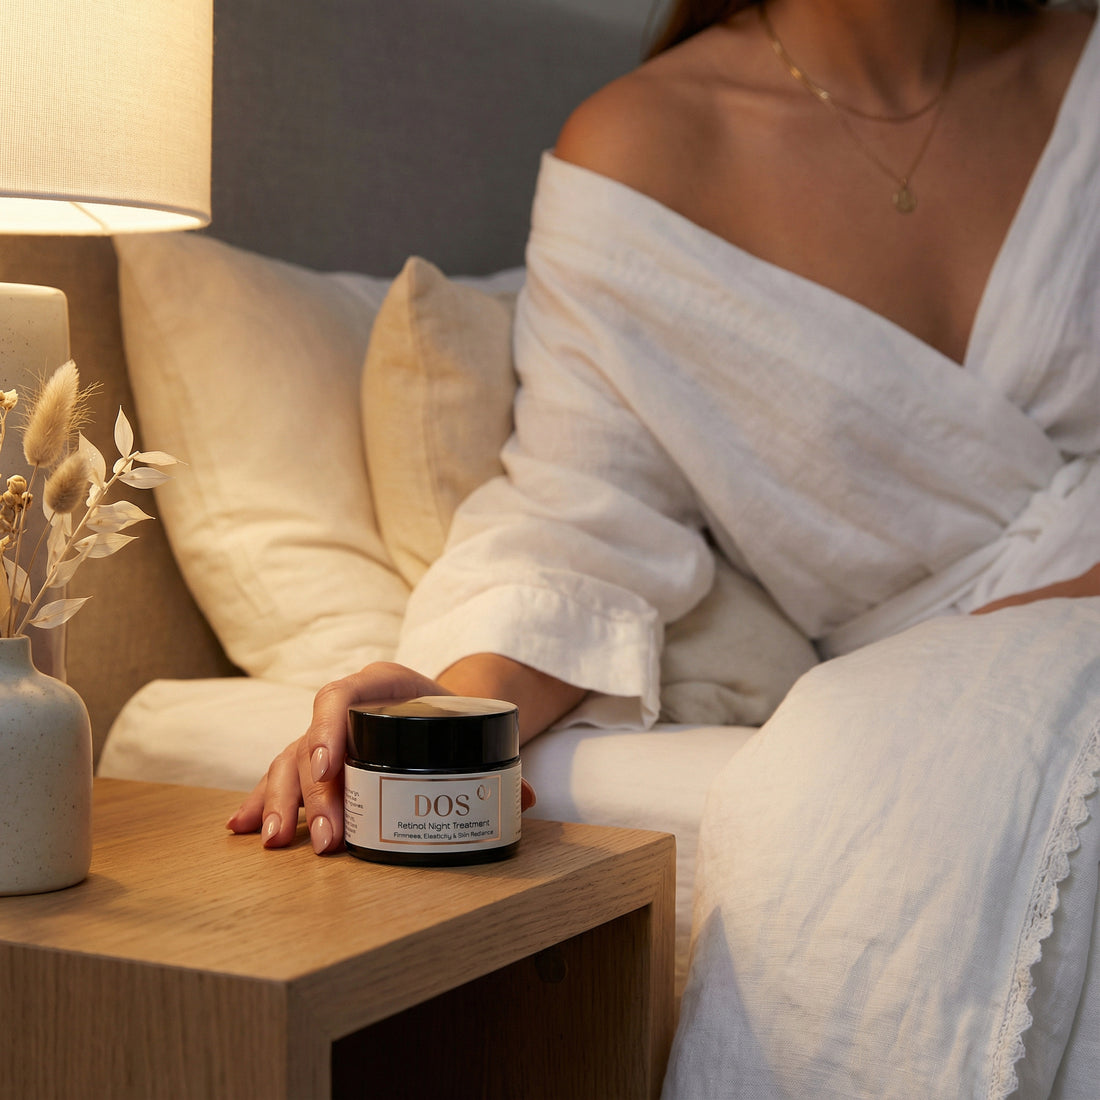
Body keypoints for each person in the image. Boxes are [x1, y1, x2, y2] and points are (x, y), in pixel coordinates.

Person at [229, 0, 1099, 1091]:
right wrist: (441, 713)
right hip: (958, 682)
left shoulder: (1081, 64)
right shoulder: (643, 157)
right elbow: (581, 521)